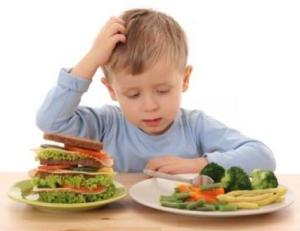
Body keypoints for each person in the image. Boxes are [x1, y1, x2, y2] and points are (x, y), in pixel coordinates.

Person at [36, 8, 276, 174]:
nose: (150, 106)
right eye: (133, 94)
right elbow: (50, 122)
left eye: (162, 90)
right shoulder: (106, 124)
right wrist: (91, 60)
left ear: (184, 79)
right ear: (111, 90)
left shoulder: (195, 126)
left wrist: (200, 165)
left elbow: (262, 156)